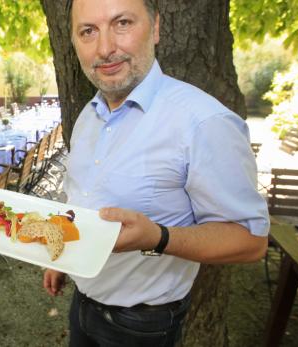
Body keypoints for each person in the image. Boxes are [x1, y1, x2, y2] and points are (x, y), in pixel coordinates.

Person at [42, 0, 270, 346]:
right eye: (88, 31)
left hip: (143, 324)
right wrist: (63, 256)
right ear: (74, 41)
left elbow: (250, 242)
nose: (105, 48)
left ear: (156, 27)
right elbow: (83, 198)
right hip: (82, 301)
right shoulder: (89, 114)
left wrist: (158, 238)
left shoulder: (204, 123)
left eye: (122, 23)